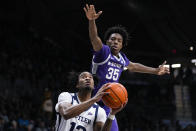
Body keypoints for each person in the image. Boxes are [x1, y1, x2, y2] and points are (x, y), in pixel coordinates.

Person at [83, 4, 170, 131]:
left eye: (119, 40)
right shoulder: (103, 52)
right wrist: (92, 21)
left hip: (108, 104)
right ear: (107, 42)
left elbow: (134, 66)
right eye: (112, 39)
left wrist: (155, 71)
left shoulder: (122, 58)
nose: (115, 42)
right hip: (91, 100)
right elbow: (94, 38)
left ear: (122, 45)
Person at [55, 71, 126, 131]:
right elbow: (66, 113)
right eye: (83, 77)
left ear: (94, 86)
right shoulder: (66, 96)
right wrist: (94, 99)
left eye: (90, 77)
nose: (87, 78)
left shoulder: (99, 111)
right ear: (77, 85)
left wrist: (112, 114)